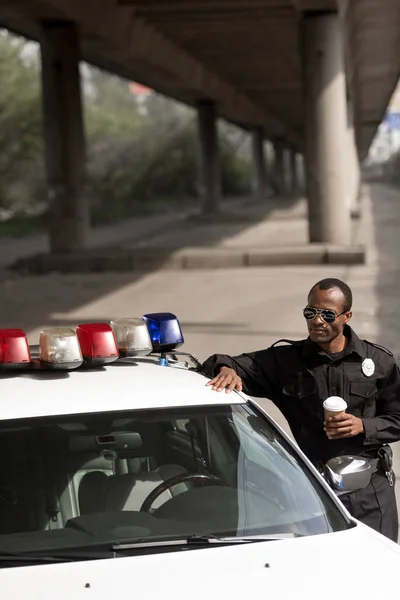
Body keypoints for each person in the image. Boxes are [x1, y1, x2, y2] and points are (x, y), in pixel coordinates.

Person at [202, 278, 400, 542]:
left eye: (328, 314)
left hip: (370, 492)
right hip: (314, 493)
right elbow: (224, 362)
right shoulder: (286, 362)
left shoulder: (377, 362)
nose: (318, 321)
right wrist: (226, 370)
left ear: (346, 316)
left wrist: (363, 426)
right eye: (311, 312)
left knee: (379, 570)